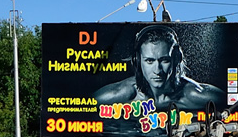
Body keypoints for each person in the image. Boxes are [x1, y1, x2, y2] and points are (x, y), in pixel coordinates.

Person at [95, 25, 223, 111]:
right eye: (149, 61)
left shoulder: (198, 96)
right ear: (137, 61)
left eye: (164, 60)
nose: (157, 70)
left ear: (176, 59)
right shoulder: (116, 95)